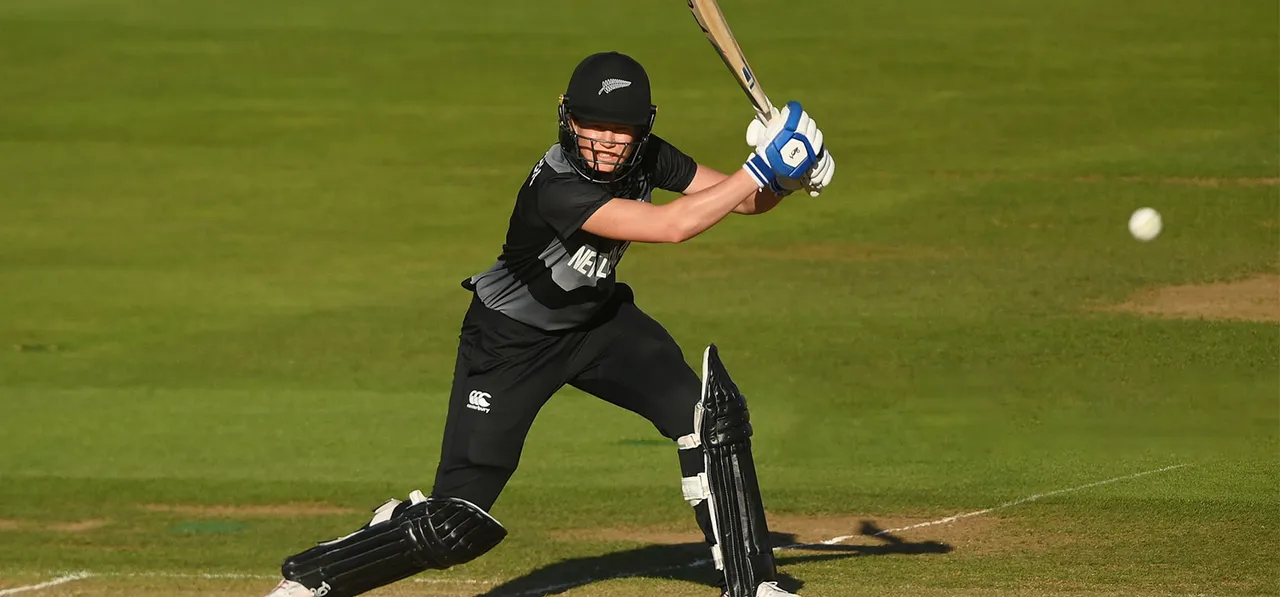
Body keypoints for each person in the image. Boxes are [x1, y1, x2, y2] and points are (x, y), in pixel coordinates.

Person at [264, 50, 834, 597]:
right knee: (456, 523)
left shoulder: (647, 154)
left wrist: (785, 179)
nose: (609, 140)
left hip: (598, 327)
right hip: (510, 343)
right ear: (568, 118)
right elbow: (674, 226)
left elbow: (739, 202)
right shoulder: (557, 184)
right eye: (594, 125)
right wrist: (760, 166)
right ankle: (317, 575)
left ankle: (753, 581)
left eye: (624, 129)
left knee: (706, 416)